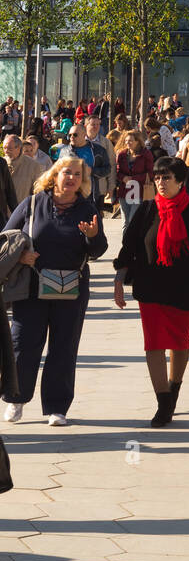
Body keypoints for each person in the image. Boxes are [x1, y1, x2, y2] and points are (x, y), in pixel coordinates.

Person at [113, 155, 189, 427]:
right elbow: (129, 246)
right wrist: (119, 279)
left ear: (181, 181)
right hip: (151, 287)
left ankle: (174, 387)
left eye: (166, 177)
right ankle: (163, 402)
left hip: (185, 288)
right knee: (154, 344)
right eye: (157, 177)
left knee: (180, 342)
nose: (160, 182)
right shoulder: (147, 210)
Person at [2, 158, 107, 426]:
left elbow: (97, 251)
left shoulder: (87, 208)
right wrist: (21, 255)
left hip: (71, 288)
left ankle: (56, 407)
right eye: (66, 173)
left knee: (64, 347)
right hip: (32, 288)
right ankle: (16, 399)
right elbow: (6, 237)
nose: (71, 178)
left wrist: (93, 237)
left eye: (76, 174)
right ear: (54, 175)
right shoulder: (33, 203)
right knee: (23, 345)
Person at [114, 131, 155, 229]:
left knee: (132, 220)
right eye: (126, 141)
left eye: (131, 141)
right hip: (124, 191)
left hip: (139, 191)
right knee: (125, 222)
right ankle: (125, 244)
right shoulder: (122, 154)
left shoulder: (146, 154)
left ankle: (131, 243)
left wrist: (134, 179)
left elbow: (151, 173)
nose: (128, 143)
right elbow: (117, 172)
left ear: (137, 141)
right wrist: (123, 178)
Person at [3, 135, 40, 207]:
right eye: (4, 148)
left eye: (10, 148)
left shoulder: (33, 166)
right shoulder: (2, 163)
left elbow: (37, 192)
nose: (6, 151)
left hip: (21, 211)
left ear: (19, 148)